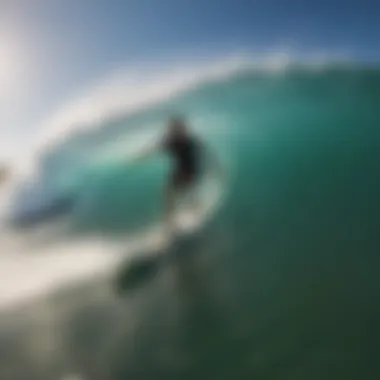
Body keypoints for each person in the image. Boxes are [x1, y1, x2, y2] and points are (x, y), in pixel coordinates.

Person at [136, 116, 223, 236]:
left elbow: (207, 153)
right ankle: (171, 224)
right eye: (173, 130)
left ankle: (196, 213)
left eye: (178, 130)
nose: (175, 132)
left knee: (186, 193)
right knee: (168, 195)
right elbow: (155, 148)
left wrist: (217, 168)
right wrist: (141, 156)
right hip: (180, 171)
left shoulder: (191, 141)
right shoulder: (170, 141)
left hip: (191, 171)